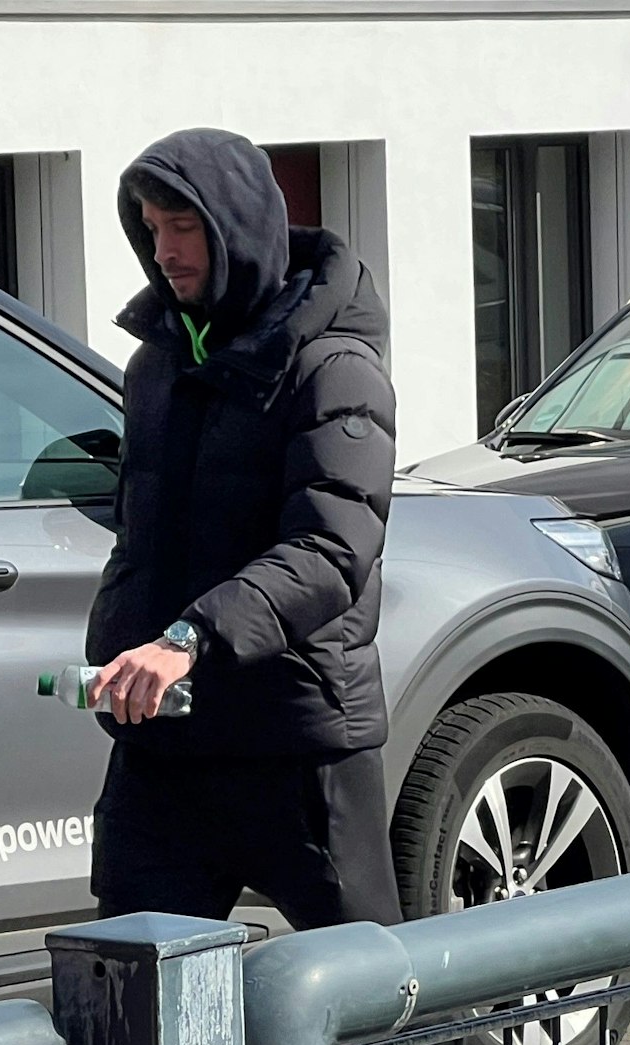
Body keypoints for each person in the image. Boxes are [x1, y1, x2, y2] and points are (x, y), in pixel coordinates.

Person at [86, 127, 401, 942]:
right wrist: (119, 646)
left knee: (381, 1013)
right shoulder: (155, 367)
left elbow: (331, 551)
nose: (164, 251)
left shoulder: (333, 367)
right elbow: (143, 537)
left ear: (238, 226)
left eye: (184, 228)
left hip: (295, 743)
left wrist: (190, 637)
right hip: (166, 747)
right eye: (151, 228)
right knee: (130, 1000)